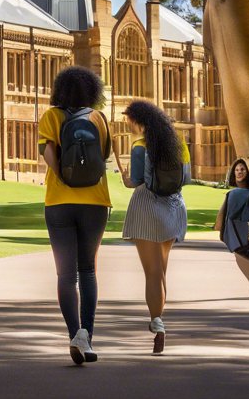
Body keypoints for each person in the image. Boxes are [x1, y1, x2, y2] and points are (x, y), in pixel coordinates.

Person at [39, 66, 113, 366]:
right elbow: (104, 156)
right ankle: (88, 338)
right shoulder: (99, 118)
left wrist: (63, 177)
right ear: (92, 91)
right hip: (95, 200)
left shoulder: (51, 116)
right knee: (88, 271)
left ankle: (74, 334)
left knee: (65, 275)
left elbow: (47, 153)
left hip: (59, 201)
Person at [119, 99, 190, 354]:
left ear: (139, 121)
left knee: (152, 272)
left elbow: (137, 181)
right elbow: (187, 178)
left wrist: (126, 179)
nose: (128, 126)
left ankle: (157, 323)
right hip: (173, 207)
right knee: (161, 269)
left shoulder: (140, 146)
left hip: (148, 207)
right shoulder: (179, 142)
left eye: (129, 121)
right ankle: (159, 320)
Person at [215, 157, 249, 297]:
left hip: (247, 238)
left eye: (242, 169)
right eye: (237, 170)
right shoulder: (232, 194)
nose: (239, 172)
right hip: (237, 236)